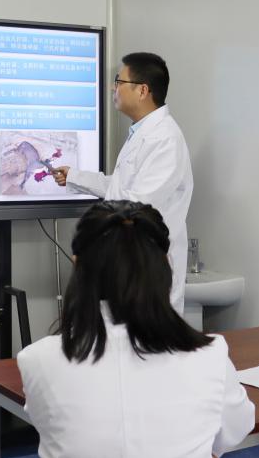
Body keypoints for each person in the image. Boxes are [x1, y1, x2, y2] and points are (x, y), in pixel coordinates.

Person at [18, 200, 253, 458]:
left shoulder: (37, 359)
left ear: (77, 265)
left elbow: (53, 429)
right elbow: (235, 429)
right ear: (166, 265)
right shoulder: (211, 355)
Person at [53, 52, 194, 311]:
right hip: (130, 264)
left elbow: (137, 204)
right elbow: (121, 188)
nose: (113, 88)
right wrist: (74, 176)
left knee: (147, 331)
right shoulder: (143, 133)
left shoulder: (165, 139)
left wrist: (90, 245)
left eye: (119, 82)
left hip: (148, 268)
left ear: (142, 90)